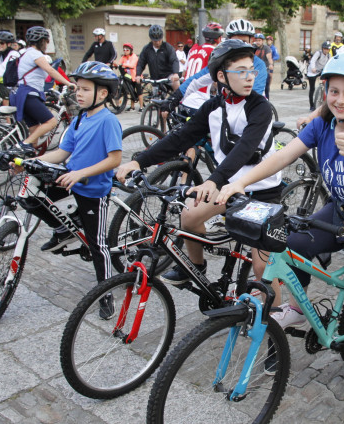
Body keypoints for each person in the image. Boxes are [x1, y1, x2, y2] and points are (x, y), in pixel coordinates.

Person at [217, 52, 344, 413]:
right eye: (333, 91)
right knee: (291, 246)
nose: (340, 100)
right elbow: (283, 156)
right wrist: (238, 183)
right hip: (342, 210)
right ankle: (295, 307)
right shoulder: (322, 123)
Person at [115, 39, 283, 302]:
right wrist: (140, 161)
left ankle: (273, 322)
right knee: (190, 216)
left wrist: (214, 180)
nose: (249, 77)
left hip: (261, 190)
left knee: (262, 268)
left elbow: (244, 148)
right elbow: (180, 138)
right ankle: (196, 267)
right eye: (241, 71)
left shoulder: (260, 107)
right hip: (229, 185)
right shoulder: (214, 106)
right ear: (221, 75)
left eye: (252, 70)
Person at [17, 61, 122, 317]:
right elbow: (63, 152)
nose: (79, 93)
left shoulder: (108, 121)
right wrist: (31, 162)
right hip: (70, 179)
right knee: (30, 194)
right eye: (78, 88)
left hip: (92, 189)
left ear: (103, 93)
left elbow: (114, 160)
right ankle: (62, 228)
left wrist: (81, 173)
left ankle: (105, 293)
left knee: (98, 246)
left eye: (85, 89)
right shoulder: (79, 119)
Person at [12, 27, 76, 154]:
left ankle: (27, 165)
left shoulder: (25, 53)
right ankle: (23, 144)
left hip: (24, 94)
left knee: (34, 136)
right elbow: (51, 71)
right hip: (29, 95)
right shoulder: (35, 54)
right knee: (51, 121)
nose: (47, 45)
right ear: (42, 41)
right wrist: (69, 83)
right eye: (46, 41)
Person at [136, 25, 180, 91]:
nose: (157, 42)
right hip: (155, 79)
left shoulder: (167, 47)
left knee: (176, 84)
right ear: (151, 39)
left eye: (159, 40)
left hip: (168, 77)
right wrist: (138, 75)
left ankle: (180, 100)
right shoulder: (147, 49)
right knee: (155, 98)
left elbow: (174, 60)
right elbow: (141, 63)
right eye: (155, 41)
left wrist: (175, 73)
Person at [306, 41, 330, 111]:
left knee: (328, 81)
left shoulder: (328, 55)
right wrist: (313, 68)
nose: (326, 51)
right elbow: (313, 61)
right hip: (313, 71)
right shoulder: (318, 53)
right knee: (312, 88)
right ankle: (312, 105)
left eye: (328, 49)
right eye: (325, 49)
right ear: (322, 48)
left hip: (321, 71)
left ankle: (325, 100)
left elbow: (329, 63)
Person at [115, 43, 140, 110]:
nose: (125, 51)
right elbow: (119, 63)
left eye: (127, 50)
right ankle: (132, 107)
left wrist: (123, 64)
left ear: (130, 50)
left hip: (135, 75)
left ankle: (141, 107)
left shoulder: (134, 56)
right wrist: (115, 64)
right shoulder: (124, 57)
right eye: (124, 50)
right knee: (131, 89)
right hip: (128, 75)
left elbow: (132, 65)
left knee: (139, 91)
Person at [253, 33, 274, 99]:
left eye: (259, 40)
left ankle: (266, 101)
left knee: (266, 87)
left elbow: (269, 57)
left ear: (262, 41)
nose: (258, 42)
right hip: (254, 70)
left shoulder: (266, 48)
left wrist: (271, 64)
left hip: (264, 70)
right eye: (256, 40)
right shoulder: (253, 47)